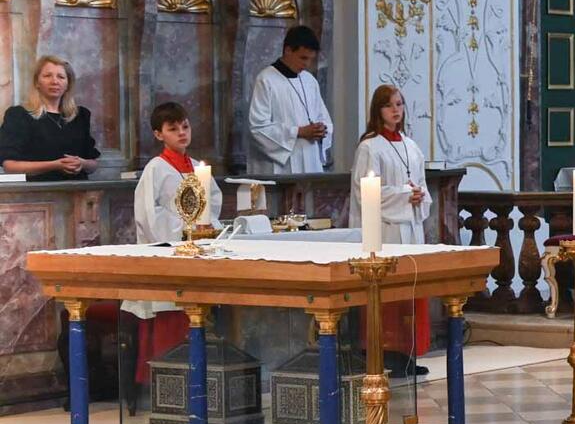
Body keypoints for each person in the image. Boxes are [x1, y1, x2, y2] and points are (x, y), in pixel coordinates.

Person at [124, 101, 224, 385]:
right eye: (173, 128)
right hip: (168, 252)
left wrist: (203, 227)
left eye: (185, 126)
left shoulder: (196, 167)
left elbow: (211, 201)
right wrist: (180, 230)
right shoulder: (155, 168)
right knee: (170, 319)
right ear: (159, 134)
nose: (181, 133)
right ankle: (167, 383)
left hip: (197, 251)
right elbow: (147, 213)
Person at [350, 85, 431, 376]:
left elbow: (421, 184)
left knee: (410, 291)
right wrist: (401, 195)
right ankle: (384, 351)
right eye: (388, 106)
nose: (395, 110)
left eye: (399, 104)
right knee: (388, 293)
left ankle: (408, 352)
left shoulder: (411, 146)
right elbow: (365, 191)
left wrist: (419, 195)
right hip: (385, 231)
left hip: (410, 227)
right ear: (377, 111)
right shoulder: (369, 147)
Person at [247, 25, 333, 174]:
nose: (306, 64)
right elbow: (258, 128)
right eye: (303, 58)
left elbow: (323, 118)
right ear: (288, 50)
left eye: (310, 59)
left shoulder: (309, 81)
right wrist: (298, 132)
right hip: (281, 167)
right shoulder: (266, 79)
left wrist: (321, 129)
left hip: (310, 162)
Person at [0, 55, 100, 181]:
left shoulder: (80, 116)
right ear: (37, 82)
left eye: (61, 77)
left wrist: (82, 164)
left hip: (77, 193)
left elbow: (93, 165)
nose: (55, 81)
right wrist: (54, 165)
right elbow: (10, 166)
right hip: (36, 194)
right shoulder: (18, 115)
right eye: (47, 76)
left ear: (68, 84)